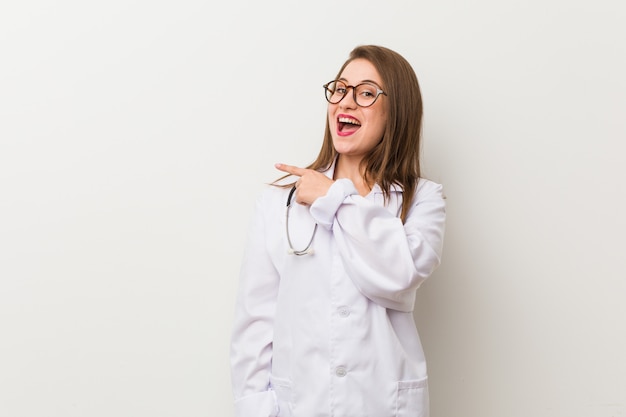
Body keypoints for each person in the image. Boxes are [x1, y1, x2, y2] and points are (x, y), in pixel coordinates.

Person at [230, 45, 446, 417]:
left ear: (397, 112)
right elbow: (255, 322)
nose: (346, 102)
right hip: (300, 404)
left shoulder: (423, 199)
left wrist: (334, 199)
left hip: (382, 403)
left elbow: (399, 275)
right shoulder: (276, 202)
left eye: (365, 93)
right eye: (340, 89)